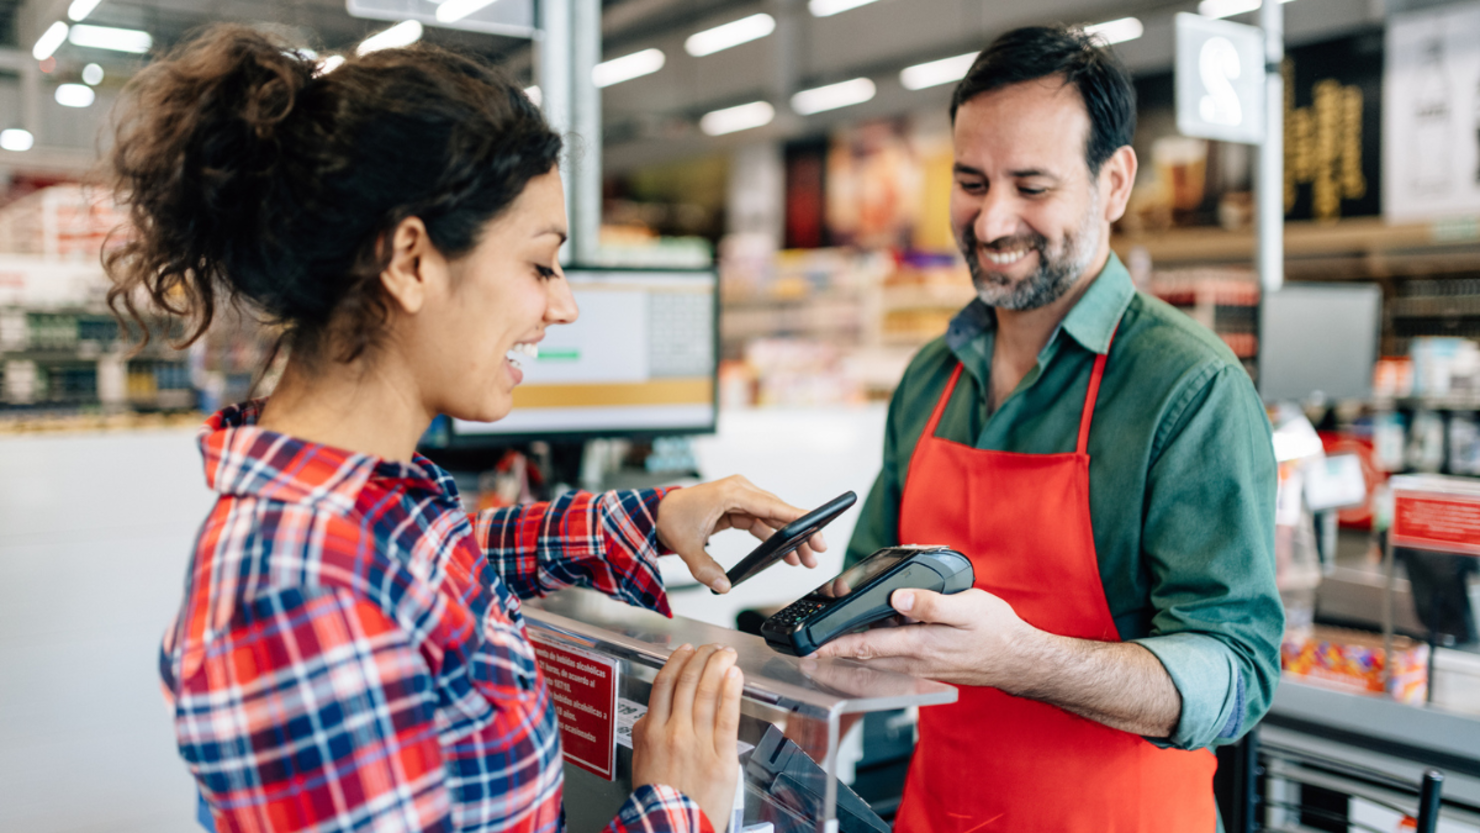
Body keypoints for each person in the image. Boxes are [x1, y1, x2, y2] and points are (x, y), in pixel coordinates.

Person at [106, 27, 824, 833]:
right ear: (411, 260)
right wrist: (676, 807)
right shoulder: (300, 592)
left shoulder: (366, 500)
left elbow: (440, 558)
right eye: (540, 264)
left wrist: (649, 517)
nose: (564, 305)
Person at [817, 25, 1283, 831]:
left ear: (1114, 182)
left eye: (1032, 186)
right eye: (971, 182)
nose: (992, 222)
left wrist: (1020, 658)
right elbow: (865, 601)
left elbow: (1236, 674)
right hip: (937, 813)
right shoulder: (933, 375)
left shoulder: (1187, 387)